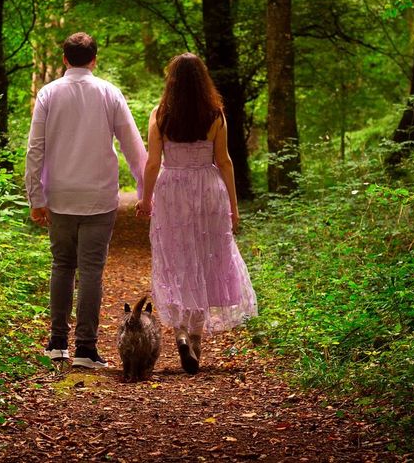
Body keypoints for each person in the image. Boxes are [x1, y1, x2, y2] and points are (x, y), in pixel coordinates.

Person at [26, 32, 147, 369]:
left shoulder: (49, 93)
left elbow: (35, 148)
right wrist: (145, 191)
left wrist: (36, 195)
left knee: (62, 265)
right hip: (98, 196)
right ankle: (85, 349)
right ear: (94, 58)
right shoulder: (109, 93)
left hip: (60, 194)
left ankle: (57, 343)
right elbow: (133, 147)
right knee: (91, 271)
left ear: (65, 59)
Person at [136, 53, 257, 375]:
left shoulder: (160, 115)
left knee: (176, 261)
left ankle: (179, 334)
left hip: (173, 189)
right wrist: (233, 207)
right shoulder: (215, 114)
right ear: (203, 80)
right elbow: (225, 161)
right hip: (207, 190)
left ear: (171, 81)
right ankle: (196, 339)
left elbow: (152, 162)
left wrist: (145, 200)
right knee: (203, 260)